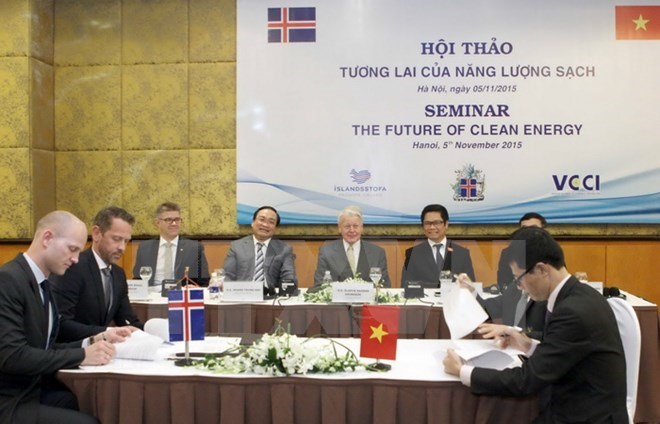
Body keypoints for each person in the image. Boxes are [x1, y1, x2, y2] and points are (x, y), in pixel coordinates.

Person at [443, 227, 627, 423]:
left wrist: (463, 371)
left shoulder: (573, 311)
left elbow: (528, 380)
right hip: (576, 404)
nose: (520, 287)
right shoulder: (579, 294)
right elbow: (563, 350)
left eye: (519, 279)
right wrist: (527, 344)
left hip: (586, 416)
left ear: (541, 269)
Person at [0, 211, 124, 424]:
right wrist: (82, 355)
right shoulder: (9, 280)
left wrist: (91, 341)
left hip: (32, 390)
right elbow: (13, 356)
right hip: (9, 400)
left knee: (87, 403)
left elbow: (44, 348)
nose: (76, 259)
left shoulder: (42, 282)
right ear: (47, 238)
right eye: (72, 249)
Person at [52, 207, 143, 343]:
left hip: (102, 351)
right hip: (72, 350)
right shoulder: (72, 267)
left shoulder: (118, 274)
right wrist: (106, 332)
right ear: (96, 234)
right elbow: (61, 324)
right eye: (116, 239)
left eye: (126, 241)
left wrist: (154, 328)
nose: (122, 248)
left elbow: (127, 320)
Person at [463, 213, 548, 337]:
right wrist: (471, 290)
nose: (518, 284)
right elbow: (489, 307)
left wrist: (512, 332)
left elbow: (553, 338)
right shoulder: (514, 287)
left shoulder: (552, 296)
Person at [132, 202, 210, 287]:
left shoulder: (194, 248)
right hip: (152, 293)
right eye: (168, 220)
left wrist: (195, 288)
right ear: (157, 223)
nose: (174, 224)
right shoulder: (145, 248)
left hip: (180, 293)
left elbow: (204, 283)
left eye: (177, 219)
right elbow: (138, 279)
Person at [222, 206, 297, 295]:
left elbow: (288, 276)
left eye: (271, 222)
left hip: (270, 296)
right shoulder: (237, 246)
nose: (265, 225)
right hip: (242, 294)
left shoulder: (284, 249)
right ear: (253, 222)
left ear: (275, 228)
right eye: (262, 220)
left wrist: (287, 289)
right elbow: (227, 274)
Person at [313, 206, 390, 287]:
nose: (352, 230)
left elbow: (384, 286)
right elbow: (319, 285)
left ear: (362, 228)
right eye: (347, 226)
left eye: (355, 226)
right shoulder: (326, 252)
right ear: (339, 228)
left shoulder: (377, 253)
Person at [401, 204, 475, 288]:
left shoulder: (462, 253)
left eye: (437, 223)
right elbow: (405, 286)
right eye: (427, 223)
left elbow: (470, 286)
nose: (432, 227)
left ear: (446, 224)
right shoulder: (413, 254)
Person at [496, 212, 547, 291]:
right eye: (525, 229)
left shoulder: (551, 251)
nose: (529, 232)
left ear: (543, 231)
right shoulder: (508, 253)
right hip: (516, 295)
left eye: (534, 228)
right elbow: (503, 283)